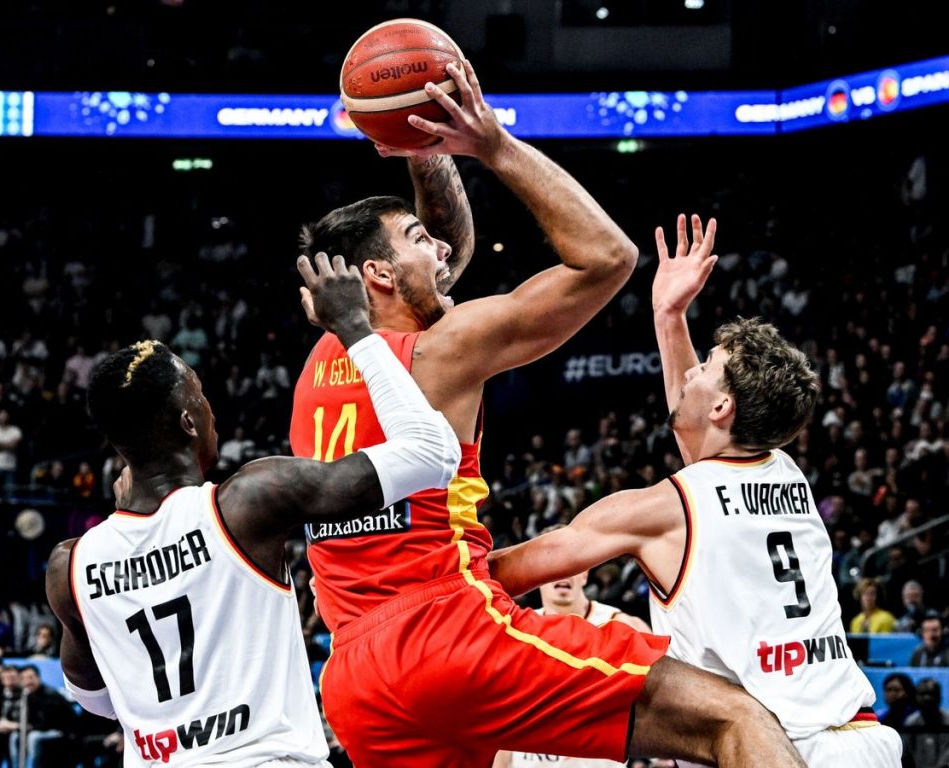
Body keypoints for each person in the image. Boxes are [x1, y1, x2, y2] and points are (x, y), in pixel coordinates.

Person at [292, 62, 804, 768]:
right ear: (377, 275)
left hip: (355, 678)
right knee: (729, 718)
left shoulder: (321, 362)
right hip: (446, 635)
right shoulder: (442, 351)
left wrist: (427, 151)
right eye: (416, 238)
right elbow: (607, 259)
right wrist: (491, 143)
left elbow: (444, 261)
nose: (442, 249)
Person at [488, 215, 902, 766]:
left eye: (707, 365)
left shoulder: (660, 510)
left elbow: (504, 572)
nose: (691, 373)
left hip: (774, 749)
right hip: (861, 737)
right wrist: (668, 315)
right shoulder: (781, 467)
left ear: (724, 406)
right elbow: (703, 446)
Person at [45, 254, 461, 767]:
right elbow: (432, 452)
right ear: (188, 422)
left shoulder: (71, 563)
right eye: (200, 396)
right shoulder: (247, 502)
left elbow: (96, 700)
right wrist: (354, 327)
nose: (210, 408)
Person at [493, 536, 650, 768]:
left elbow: (657, 706)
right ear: (536, 575)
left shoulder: (623, 626)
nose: (561, 572)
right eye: (551, 564)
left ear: (584, 574)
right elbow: (501, 724)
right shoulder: (512, 633)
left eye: (568, 564)